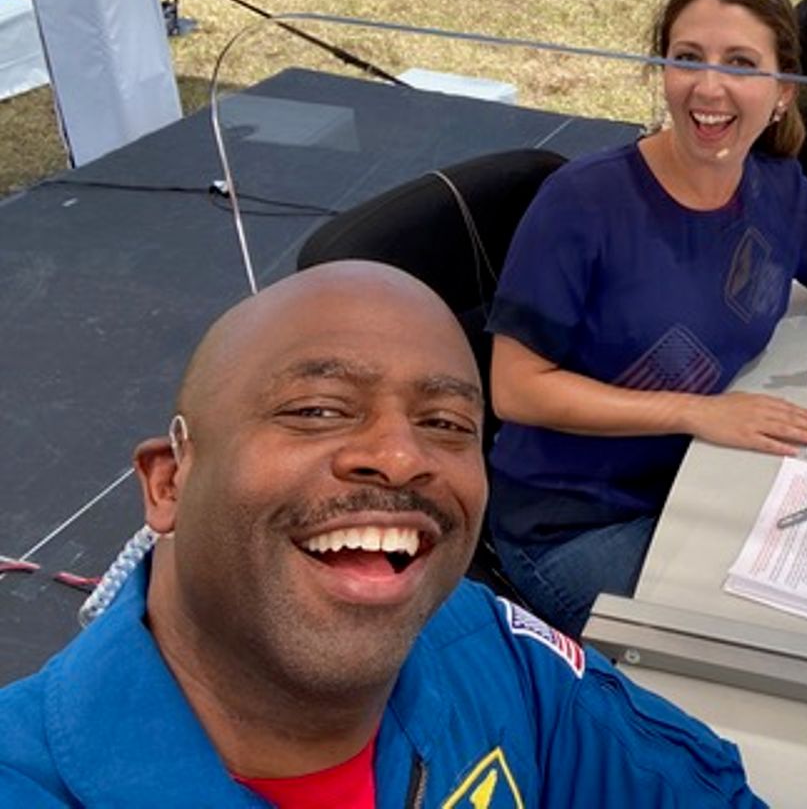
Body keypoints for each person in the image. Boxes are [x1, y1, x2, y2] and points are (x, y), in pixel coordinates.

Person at [0, 261, 765, 807]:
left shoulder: (488, 649)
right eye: (318, 410)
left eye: (445, 424)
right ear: (169, 482)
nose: (402, 458)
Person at [487, 0, 807, 637]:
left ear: (782, 91)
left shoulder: (777, 188)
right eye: (688, 60)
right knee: (743, 650)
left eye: (741, 64)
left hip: (699, 476)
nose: (709, 87)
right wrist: (699, 412)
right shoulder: (582, 203)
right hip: (573, 521)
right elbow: (514, 390)